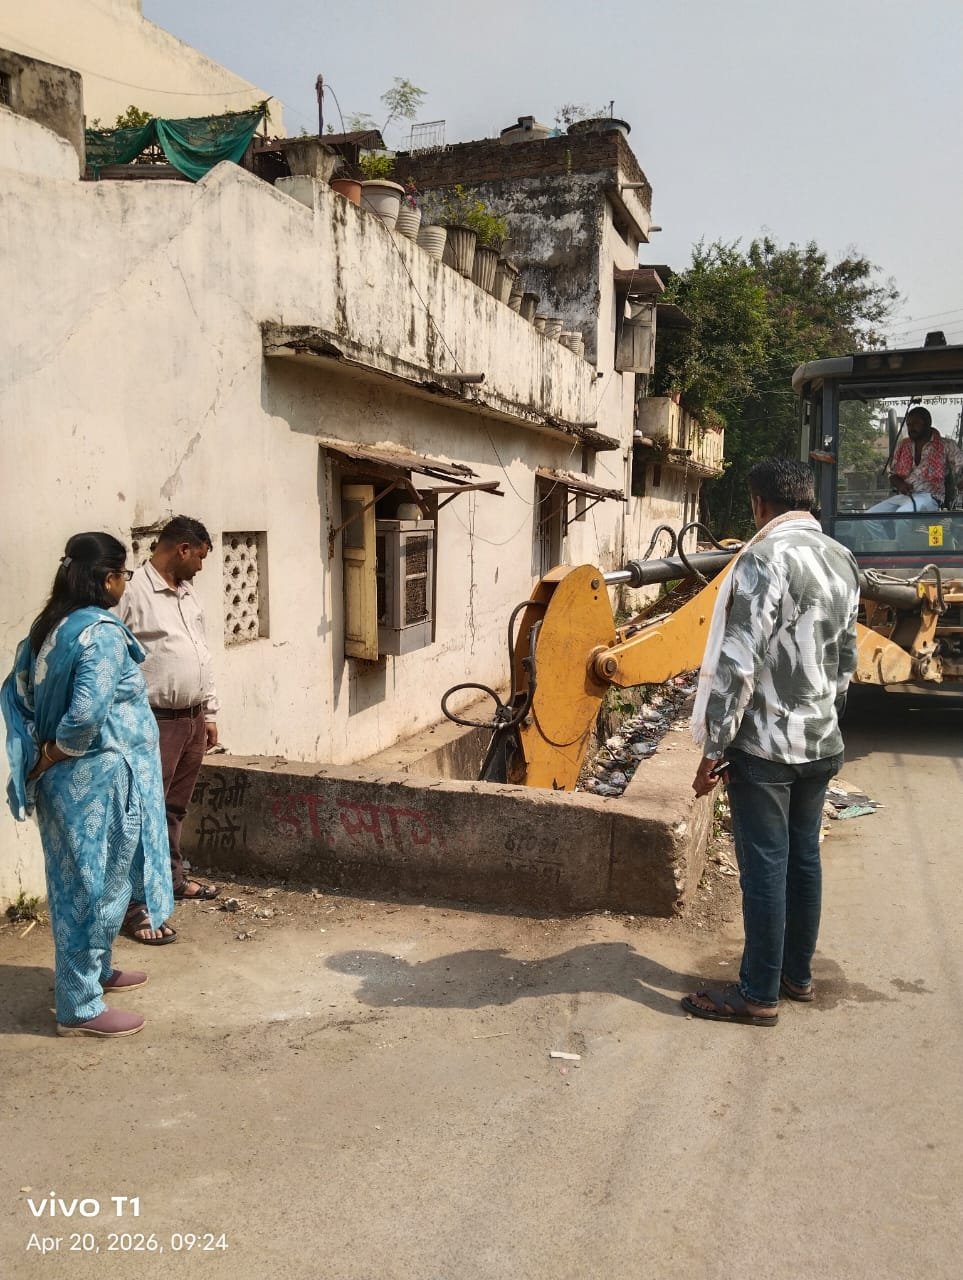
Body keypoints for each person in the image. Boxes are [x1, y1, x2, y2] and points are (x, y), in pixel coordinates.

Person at [684, 459, 860, 1027]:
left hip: (765, 750)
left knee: (764, 868)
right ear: (806, 499)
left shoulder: (763, 558)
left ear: (759, 504)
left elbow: (737, 666)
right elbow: (846, 660)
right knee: (803, 860)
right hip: (821, 741)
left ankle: (757, 994)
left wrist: (713, 749)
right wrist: (824, 718)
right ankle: (795, 976)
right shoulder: (842, 558)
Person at [1, 533, 174, 1037]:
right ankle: (79, 1008)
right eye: (124, 574)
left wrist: (41, 759)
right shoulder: (100, 633)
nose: (126, 583)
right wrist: (52, 754)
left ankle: (96, 971)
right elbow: (84, 716)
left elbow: (20, 693)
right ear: (107, 579)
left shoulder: (53, 626)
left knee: (88, 881)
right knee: (92, 888)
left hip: (71, 783)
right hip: (96, 781)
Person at [118, 516, 220, 943]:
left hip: (191, 719)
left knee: (174, 809)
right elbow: (113, 654)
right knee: (143, 814)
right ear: (182, 549)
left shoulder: (187, 592)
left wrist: (208, 712)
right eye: (200, 557)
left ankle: (172, 880)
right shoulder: (132, 592)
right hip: (153, 721)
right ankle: (135, 906)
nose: (200, 567)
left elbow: (200, 650)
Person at [867, 406, 963, 514]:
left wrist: (960, 480)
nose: (911, 428)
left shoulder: (946, 445)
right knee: (869, 517)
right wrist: (900, 484)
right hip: (905, 496)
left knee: (903, 514)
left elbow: (960, 465)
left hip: (930, 497)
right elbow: (892, 474)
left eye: (916, 424)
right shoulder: (903, 445)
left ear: (928, 423)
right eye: (909, 425)